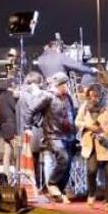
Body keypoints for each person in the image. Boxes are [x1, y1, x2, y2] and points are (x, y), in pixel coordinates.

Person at [32, 72, 77, 202]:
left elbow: (71, 114)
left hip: (68, 135)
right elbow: (32, 110)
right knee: (63, 158)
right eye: (65, 84)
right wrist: (37, 124)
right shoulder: (47, 96)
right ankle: (52, 183)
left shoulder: (68, 97)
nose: (67, 86)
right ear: (59, 85)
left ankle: (59, 191)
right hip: (53, 134)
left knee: (68, 164)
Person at [77, 83, 108, 209]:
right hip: (90, 144)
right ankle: (91, 194)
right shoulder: (85, 106)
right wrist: (87, 125)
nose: (93, 99)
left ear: (101, 95)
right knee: (91, 171)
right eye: (91, 96)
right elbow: (77, 121)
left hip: (106, 144)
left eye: (95, 96)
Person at [0, 79, 19, 174]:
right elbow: (15, 108)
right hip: (13, 127)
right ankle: (17, 174)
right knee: (18, 152)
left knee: (7, 152)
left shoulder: (0, 98)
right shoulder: (10, 95)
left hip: (4, 128)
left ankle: (6, 173)